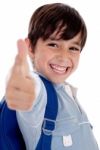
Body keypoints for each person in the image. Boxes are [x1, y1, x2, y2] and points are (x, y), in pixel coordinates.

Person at [0, 2, 99, 150]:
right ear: (31, 47)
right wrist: (20, 86)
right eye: (53, 44)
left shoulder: (66, 91)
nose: (64, 56)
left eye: (73, 48)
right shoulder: (40, 93)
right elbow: (31, 88)